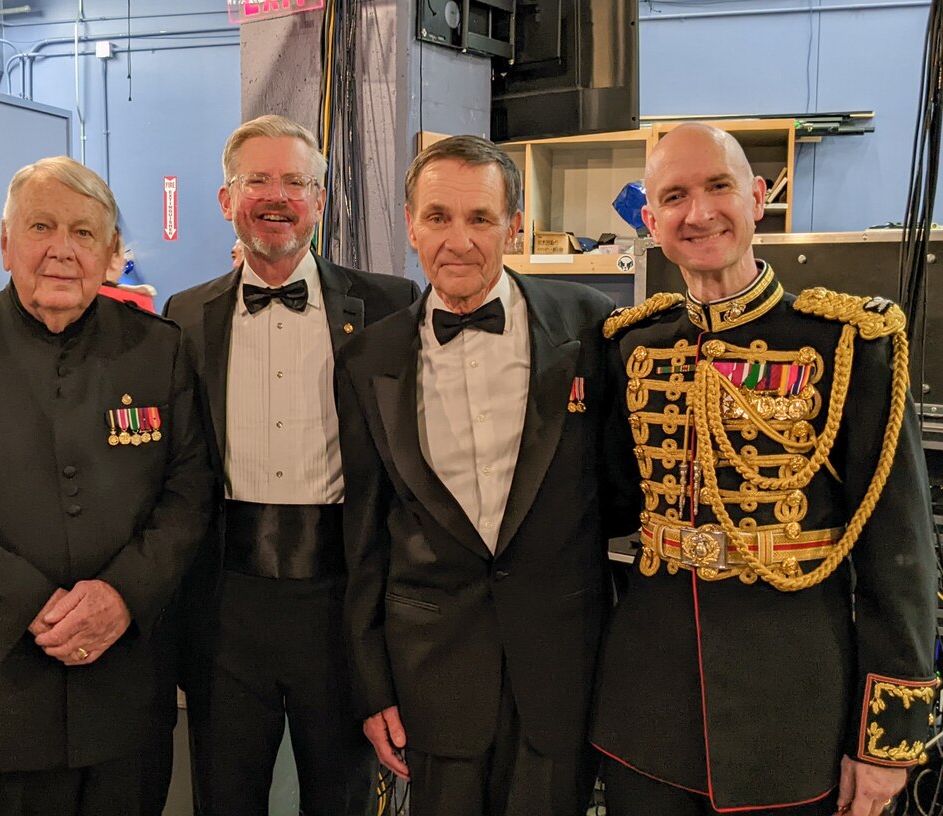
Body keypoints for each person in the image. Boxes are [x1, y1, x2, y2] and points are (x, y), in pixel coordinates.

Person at [592, 123, 938, 816]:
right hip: (649, 709)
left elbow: (899, 559)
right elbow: (602, 507)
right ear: (651, 220)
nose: (699, 213)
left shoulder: (847, 344)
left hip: (795, 714)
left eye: (718, 186)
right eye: (675, 196)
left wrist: (885, 745)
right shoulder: (632, 344)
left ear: (757, 196)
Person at [0, 156, 212, 816]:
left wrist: (121, 594)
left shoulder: (159, 349)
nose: (62, 249)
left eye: (85, 233)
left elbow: (189, 489)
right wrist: (31, 604)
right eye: (41, 226)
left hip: (125, 686)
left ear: (112, 253)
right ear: (5, 243)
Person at [335, 135, 640, 815]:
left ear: (514, 225)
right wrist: (373, 685)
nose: (459, 241)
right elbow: (365, 537)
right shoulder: (368, 359)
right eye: (438, 218)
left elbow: (621, 491)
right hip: (431, 672)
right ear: (411, 224)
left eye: (480, 219)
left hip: (562, 665)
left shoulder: (592, 325)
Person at [163, 114, 419, 816]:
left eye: (296, 182)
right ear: (226, 199)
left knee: (339, 799)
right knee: (225, 796)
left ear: (321, 201)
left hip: (340, 604)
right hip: (224, 606)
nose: (277, 197)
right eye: (258, 181)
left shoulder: (390, 307)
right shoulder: (182, 316)